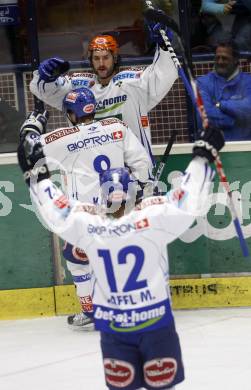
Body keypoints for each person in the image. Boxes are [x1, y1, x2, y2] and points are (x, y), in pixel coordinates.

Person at [17, 117, 225, 389]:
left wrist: (36, 177)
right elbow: (188, 202)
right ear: (132, 192)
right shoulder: (153, 219)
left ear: (102, 197)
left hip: (115, 331)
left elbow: (56, 211)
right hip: (155, 325)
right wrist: (202, 159)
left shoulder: (90, 227)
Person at [20, 87, 151, 330]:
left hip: (85, 215)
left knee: (78, 259)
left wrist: (31, 127)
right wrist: (142, 186)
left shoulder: (63, 138)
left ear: (71, 113)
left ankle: (90, 309)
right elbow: (142, 163)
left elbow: (29, 151)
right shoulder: (116, 127)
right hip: (119, 208)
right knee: (120, 257)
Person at [29, 25, 178, 170]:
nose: (101, 63)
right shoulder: (78, 87)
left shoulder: (133, 84)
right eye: (96, 58)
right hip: (91, 179)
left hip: (135, 175)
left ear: (115, 58)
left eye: (106, 57)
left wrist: (164, 46)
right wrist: (46, 77)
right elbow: (42, 89)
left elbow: (164, 75)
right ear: (90, 60)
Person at [196, 39, 251, 141]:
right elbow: (203, 116)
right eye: (217, 58)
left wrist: (221, 105)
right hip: (213, 148)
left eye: (225, 58)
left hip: (244, 148)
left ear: (235, 60)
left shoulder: (248, 82)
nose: (220, 61)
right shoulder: (202, 83)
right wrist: (235, 119)